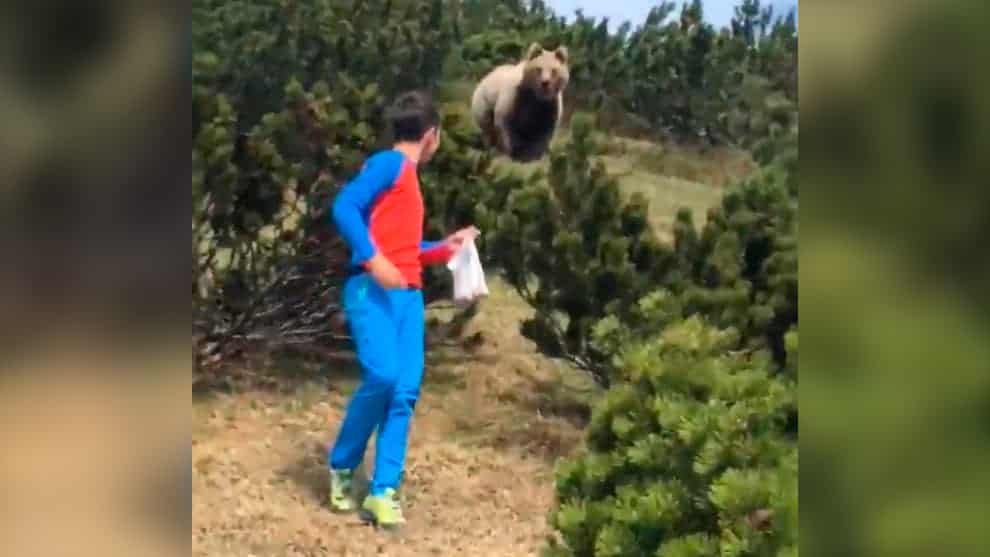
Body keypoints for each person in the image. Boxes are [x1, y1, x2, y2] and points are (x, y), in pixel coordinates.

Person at [327, 90, 478, 529]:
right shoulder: (391, 165)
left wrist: (444, 247)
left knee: (404, 393)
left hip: (408, 298)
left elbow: (407, 249)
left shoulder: (408, 178)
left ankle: (383, 491)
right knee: (384, 375)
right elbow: (344, 207)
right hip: (369, 292)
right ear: (431, 136)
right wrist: (372, 259)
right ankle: (342, 465)